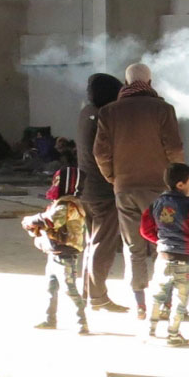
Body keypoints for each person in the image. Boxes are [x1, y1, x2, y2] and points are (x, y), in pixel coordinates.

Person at [94, 63, 185, 320]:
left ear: (126, 82)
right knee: (163, 244)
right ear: (150, 81)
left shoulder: (108, 112)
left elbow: (101, 153)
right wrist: (174, 179)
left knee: (132, 247)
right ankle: (164, 303)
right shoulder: (163, 109)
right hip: (159, 188)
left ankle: (140, 304)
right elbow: (175, 148)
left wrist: (114, 178)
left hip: (124, 188)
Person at [77, 73, 128, 313]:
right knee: (102, 244)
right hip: (103, 190)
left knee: (91, 243)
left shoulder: (86, 112)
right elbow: (108, 153)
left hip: (86, 188)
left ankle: (89, 293)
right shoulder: (103, 117)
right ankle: (97, 296)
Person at [21, 167, 89, 334]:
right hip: (55, 253)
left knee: (69, 288)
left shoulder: (68, 205)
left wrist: (31, 220)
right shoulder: (61, 203)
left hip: (66, 254)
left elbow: (52, 221)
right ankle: (49, 319)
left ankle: (82, 322)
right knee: (50, 288)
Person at [139, 163, 189, 345]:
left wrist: (161, 241)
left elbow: (145, 229)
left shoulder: (156, 203)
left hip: (163, 257)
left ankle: (150, 331)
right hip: (185, 260)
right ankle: (173, 334)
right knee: (180, 300)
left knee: (157, 295)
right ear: (180, 185)